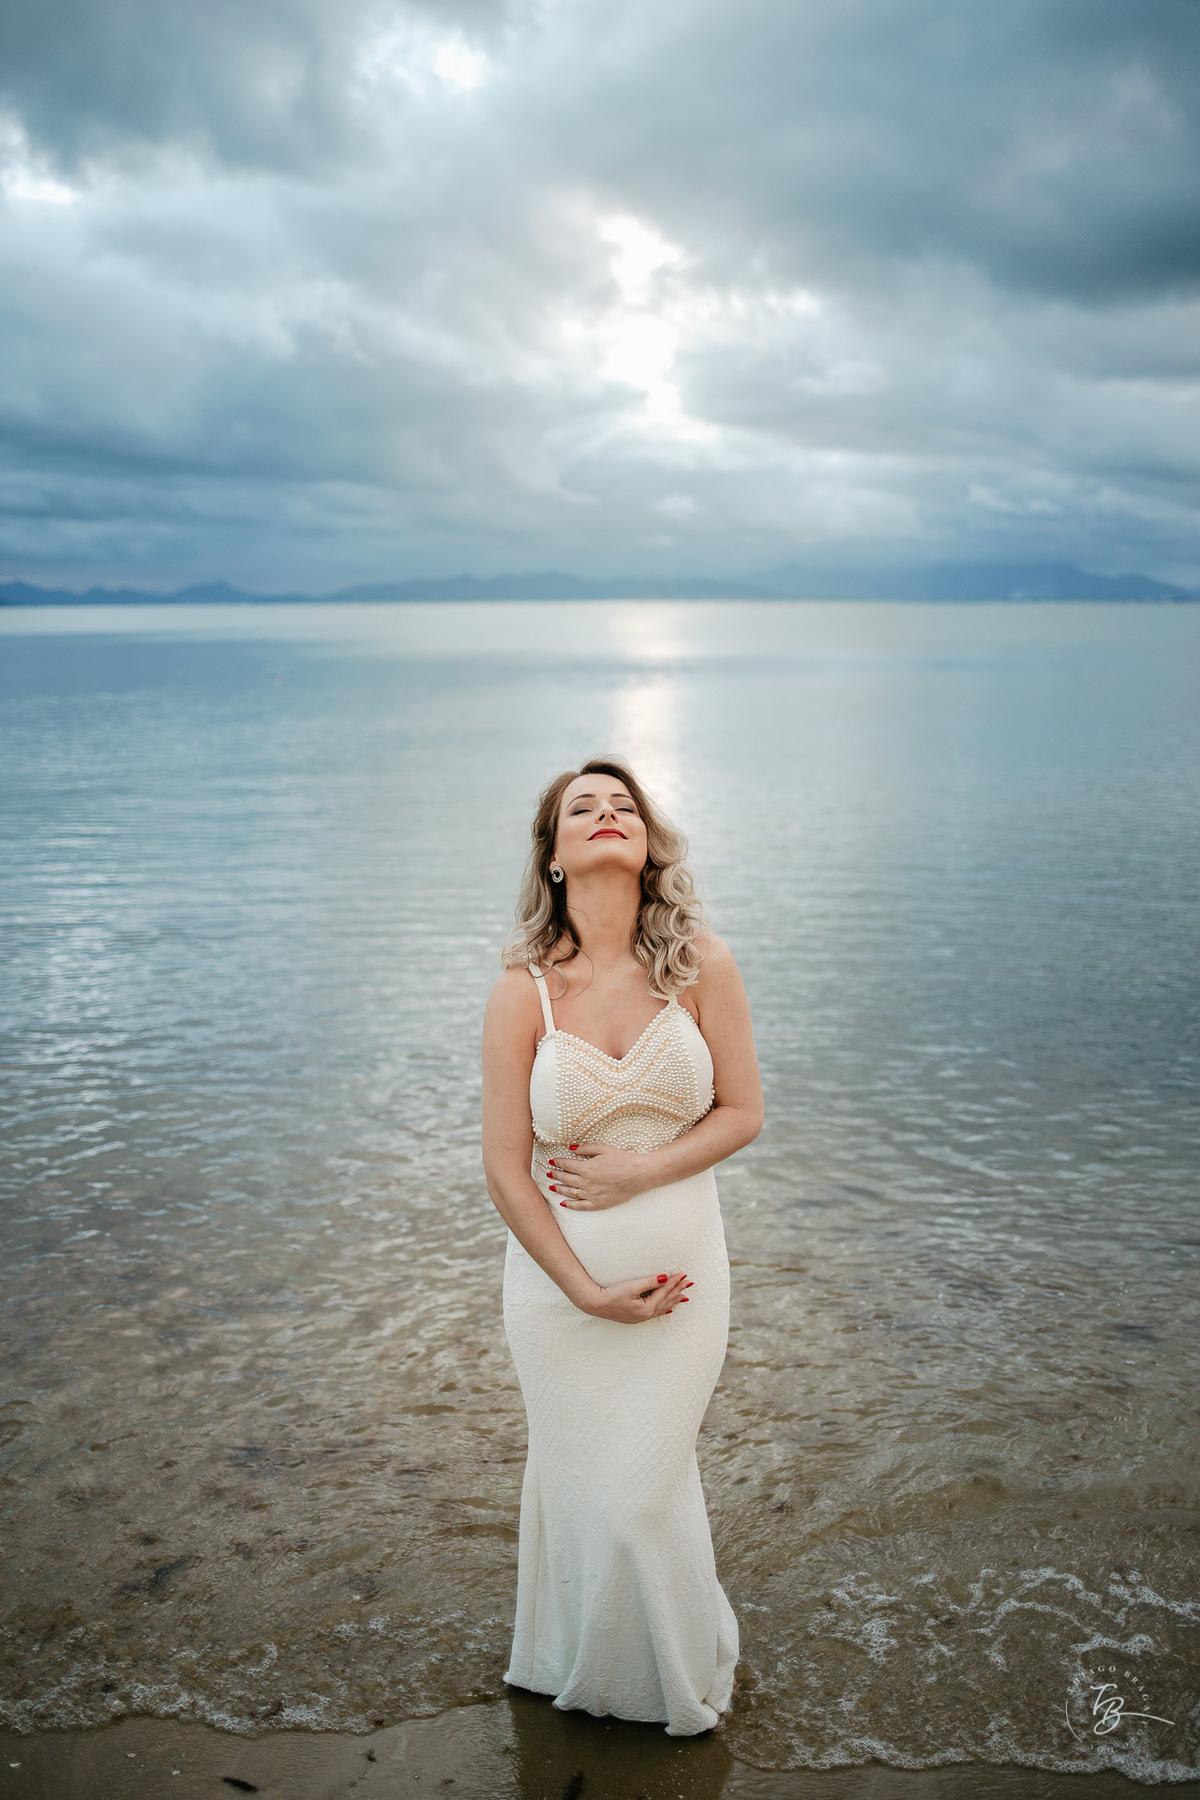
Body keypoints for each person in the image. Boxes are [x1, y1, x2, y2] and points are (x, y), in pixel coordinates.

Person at [481, 756, 763, 1736]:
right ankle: (574, 1660)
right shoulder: (526, 991)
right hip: (558, 1292)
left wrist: (643, 1171)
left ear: (647, 844)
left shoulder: (702, 964)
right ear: (554, 856)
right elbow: (507, 1167)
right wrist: (582, 1291)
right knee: (582, 1486)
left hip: (684, 1283)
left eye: (624, 805)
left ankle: (673, 1685)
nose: (607, 815)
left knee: (640, 1491)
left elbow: (744, 1112)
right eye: (582, 809)